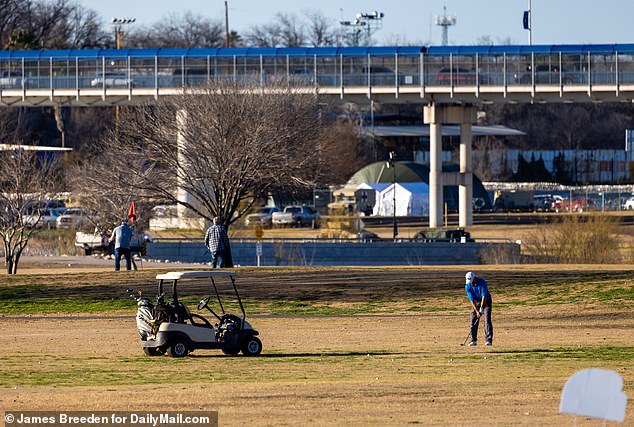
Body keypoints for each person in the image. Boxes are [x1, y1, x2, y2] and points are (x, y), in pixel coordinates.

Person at [464, 271, 493, 346]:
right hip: (476, 302)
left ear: (474, 278)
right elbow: (472, 300)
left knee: (487, 320)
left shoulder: (482, 282)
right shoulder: (468, 286)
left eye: (472, 281)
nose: (471, 283)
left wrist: (482, 309)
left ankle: (488, 340)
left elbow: (484, 296)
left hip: (486, 301)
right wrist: (477, 311)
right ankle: (473, 340)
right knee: (473, 319)